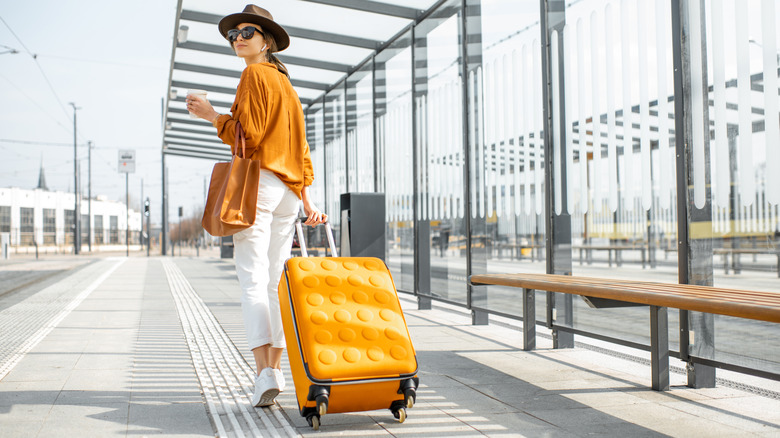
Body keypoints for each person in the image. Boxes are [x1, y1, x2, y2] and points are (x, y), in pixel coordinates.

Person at [186, 4, 326, 407]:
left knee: (251, 279)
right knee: (274, 281)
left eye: (247, 32)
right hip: (286, 193)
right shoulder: (289, 89)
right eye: (233, 35)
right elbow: (301, 151)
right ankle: (275, 371)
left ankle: (264, 373)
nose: (238, 39)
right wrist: (307, 200)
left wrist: (213, 115)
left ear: (266, 41)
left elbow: (247, 137)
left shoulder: (253, 75)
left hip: (260, 185)